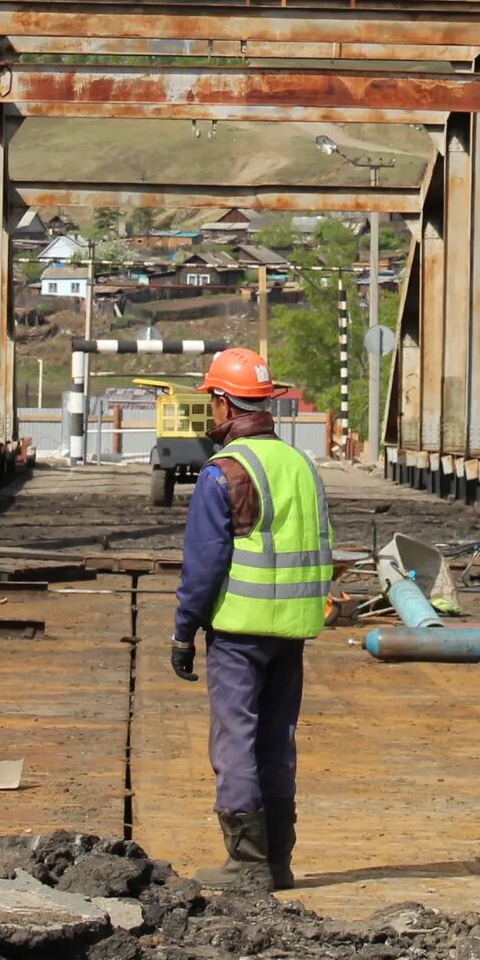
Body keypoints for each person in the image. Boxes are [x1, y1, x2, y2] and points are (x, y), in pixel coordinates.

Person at [168, 346, 332, 892]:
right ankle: (279, 860)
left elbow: (205, 563)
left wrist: (183, 630)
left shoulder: (226, 471)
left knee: (235, 739)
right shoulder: (303, 466)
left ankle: (246, 862)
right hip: (292, 630)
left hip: (238, 633)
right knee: (276, 739)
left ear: (221, 401)